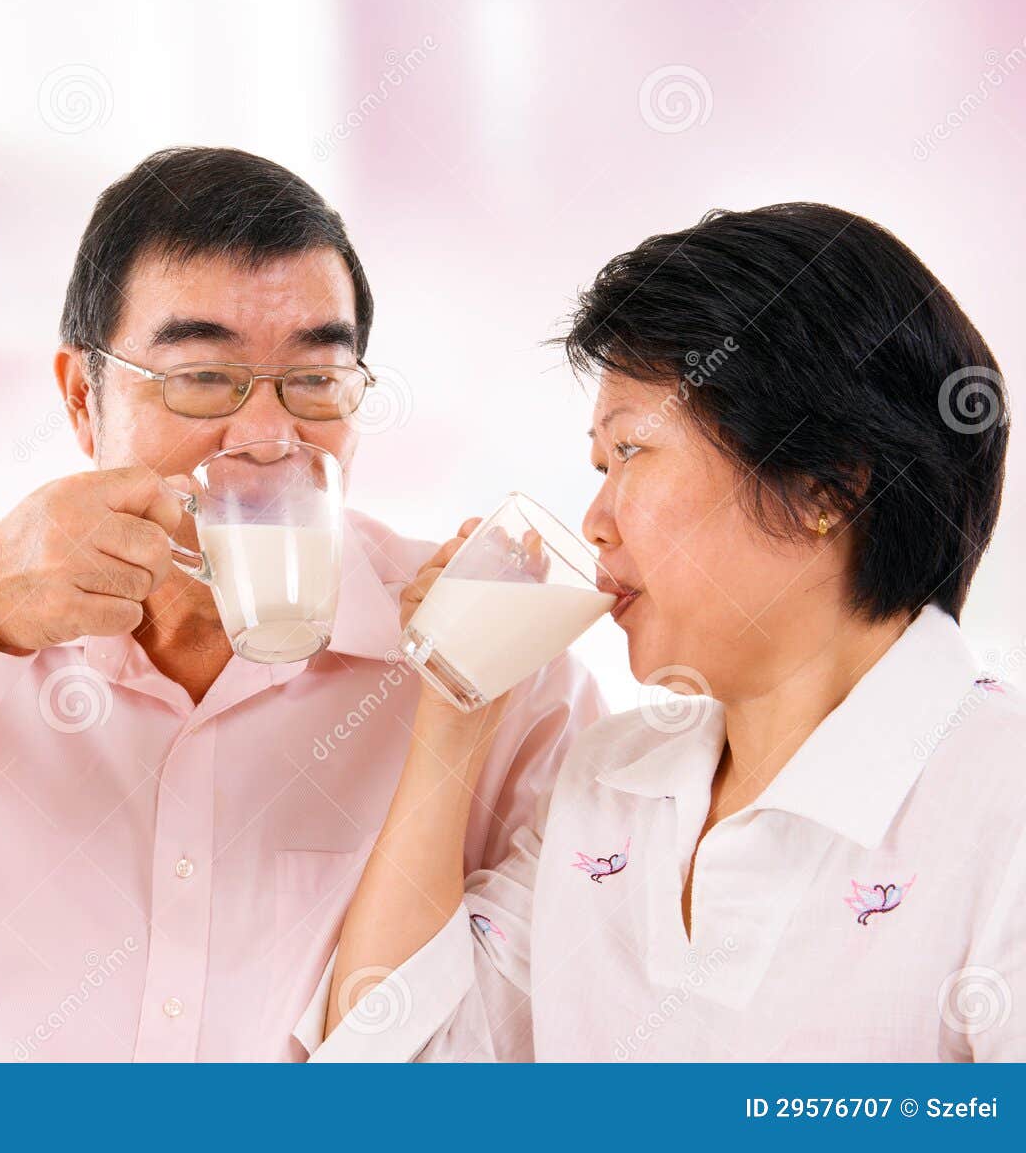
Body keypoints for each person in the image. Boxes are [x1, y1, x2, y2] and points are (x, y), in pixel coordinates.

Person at [0, 147, 606, 1061]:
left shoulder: (480, 650)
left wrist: (450, 709)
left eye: (315, 380)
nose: (268, 435)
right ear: (81, 400)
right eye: (202, 380)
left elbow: (557, 1032)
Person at [304, 202, 1022, 1061]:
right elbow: (390, 1083)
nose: (595, 521)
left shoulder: (997, 802)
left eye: (632, 453)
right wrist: (455, 707)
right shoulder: (612, 783)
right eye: (599, 468)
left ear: (828, 487)